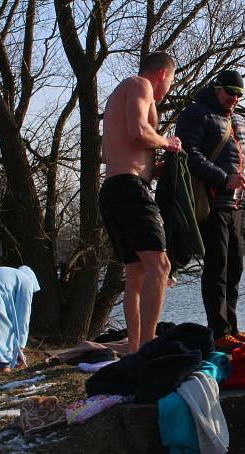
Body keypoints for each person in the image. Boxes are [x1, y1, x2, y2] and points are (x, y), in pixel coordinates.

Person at [99, 51, 182, 354]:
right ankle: (148, 346)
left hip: (113, 190)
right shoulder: (140, 85)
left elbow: (109, 154)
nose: (168, 88)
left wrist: (155, 169)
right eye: (171, 82)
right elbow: (138, 131)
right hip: (130, 190)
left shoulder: (115, 98)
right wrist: (167, 142)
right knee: (160, 266)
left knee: (136, 273)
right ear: (162, 74)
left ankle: (135, 348)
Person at [176, 70, 245, 350]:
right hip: (210, 204)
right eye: (230, 92)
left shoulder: (238, 121)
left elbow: (243, 167)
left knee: (235, 267)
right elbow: (190, 155)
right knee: (217, 268)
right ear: (216, 88)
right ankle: (219, 331)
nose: (234, 98)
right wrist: (224, 180)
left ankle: (232, 327)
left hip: (235, 205)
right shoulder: (196, 114)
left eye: (239, 94)